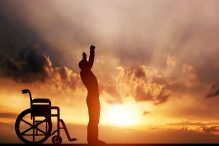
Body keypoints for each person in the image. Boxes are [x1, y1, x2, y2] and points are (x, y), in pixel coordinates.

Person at [78, 45, 105, 144]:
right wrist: (92, 51)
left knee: (95, 120)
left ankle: (93, 139)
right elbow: (90, 63)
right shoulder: (85, 72)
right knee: (94, 119)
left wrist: (84, 58)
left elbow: (88, 63)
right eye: (85, 63)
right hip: (92, 98)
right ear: (84, 66)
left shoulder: (85, 71)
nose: (87, 64)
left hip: (93, 98)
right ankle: (92, 140)